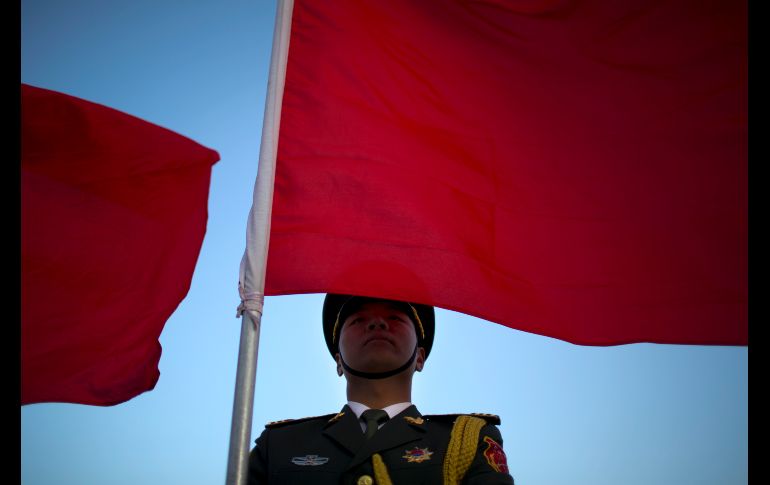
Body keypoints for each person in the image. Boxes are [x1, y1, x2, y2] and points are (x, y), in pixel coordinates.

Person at [248, 293, 515, 484]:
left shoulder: (466, 439)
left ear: (419, 357)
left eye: (394, 317)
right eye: (358, 320)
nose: (377, 323)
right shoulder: (279, 445)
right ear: (338, 361)